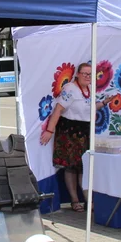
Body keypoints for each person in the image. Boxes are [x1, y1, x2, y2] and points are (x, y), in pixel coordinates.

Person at [41, 63, 94, 212]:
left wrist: (104, 103)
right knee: (71, 167)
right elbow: (58, 110)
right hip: (70, 132)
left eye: (90, 74)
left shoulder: (90, 89)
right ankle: (74, 200)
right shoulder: (70, 89)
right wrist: (49, 131)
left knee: (84, 167)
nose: (87, 77)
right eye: (84, 73)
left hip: (84, 132)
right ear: (77, 74)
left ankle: (88, 200)